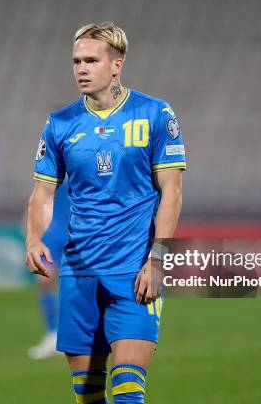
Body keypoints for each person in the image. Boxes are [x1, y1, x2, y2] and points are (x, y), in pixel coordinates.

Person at [25, 22, 185, 403]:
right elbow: (42, 194)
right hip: (79, 272)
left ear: (116, 64)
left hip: (133, 272)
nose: (81, 68)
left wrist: (158, 258)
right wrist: (34, 238)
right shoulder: (59, 123)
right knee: (87, 394)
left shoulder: (155, 114)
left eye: (91, 60)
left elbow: (173, 192)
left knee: (129, 388)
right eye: (76, 61)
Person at [26, 180, 70, 360]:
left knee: (81, 284)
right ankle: (52, 334)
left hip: (82, 229)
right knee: (44, 280)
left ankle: (76, 336)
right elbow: (38, 195)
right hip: (55, 230)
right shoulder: (55, 161)